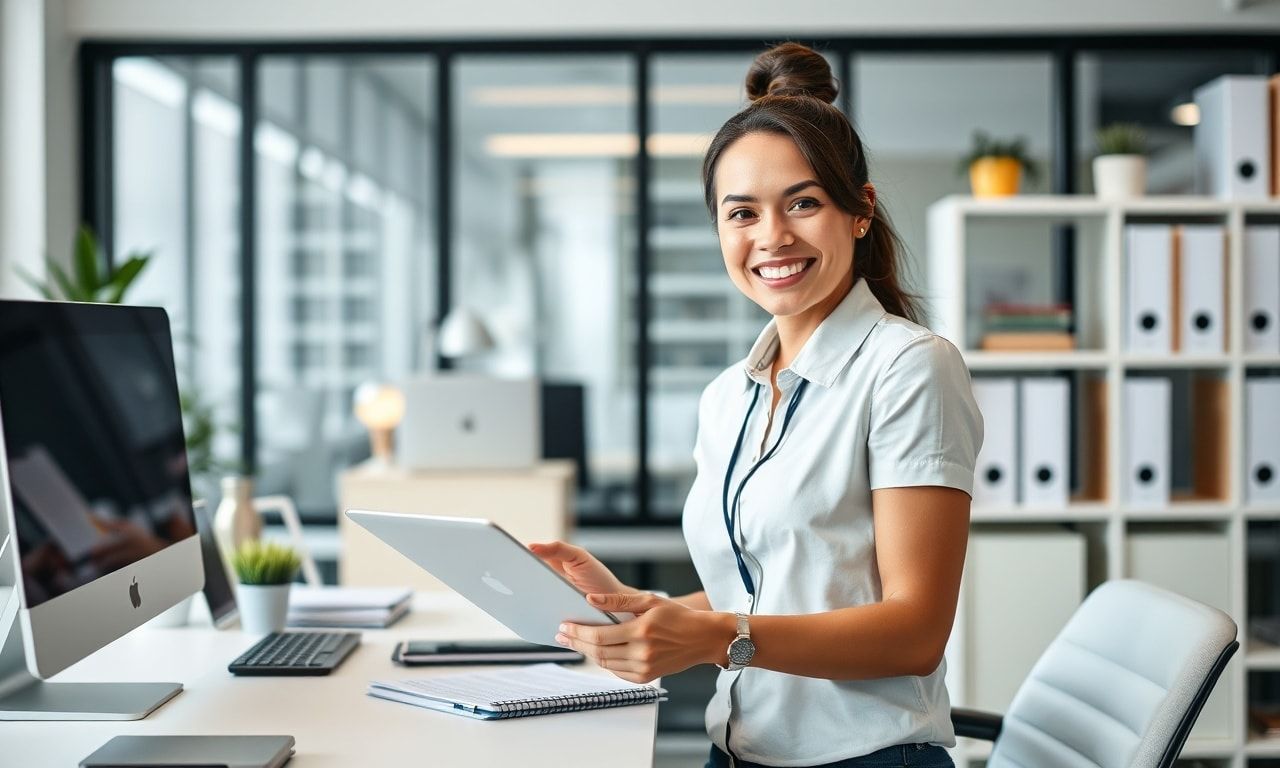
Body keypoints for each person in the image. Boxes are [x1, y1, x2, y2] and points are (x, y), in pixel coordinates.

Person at [531, 41, 982, 768]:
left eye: (802, 203)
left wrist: (713, 638)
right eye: (742, 213)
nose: (772, 237)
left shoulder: (909, 370)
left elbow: (914, 631)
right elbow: (772, 586)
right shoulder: (726, 397)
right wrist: (651, 611)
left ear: (860, 211)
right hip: (739, 753)